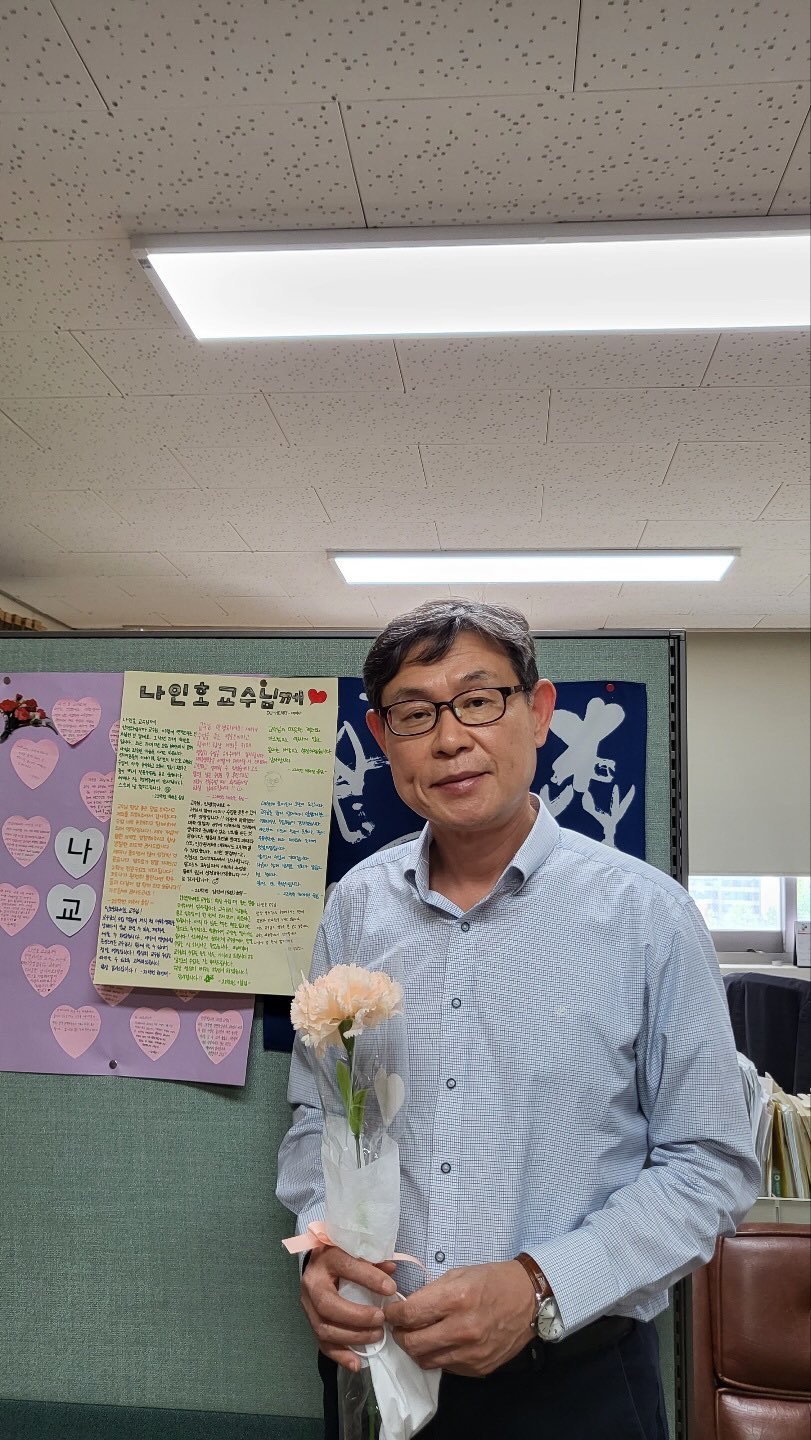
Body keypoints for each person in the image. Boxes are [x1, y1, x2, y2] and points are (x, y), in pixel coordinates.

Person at [277, 599, 761, 1440]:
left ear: (538, 713)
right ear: (382, 737)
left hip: (573, 1380)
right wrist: (322, 1248)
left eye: (478, 701)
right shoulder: (355, 908)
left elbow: (708, 1165)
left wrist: (539, 1285)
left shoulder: (648, 917)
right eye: (414, 714)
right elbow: (318, 1115)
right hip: (377, 1362)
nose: (449, 739)